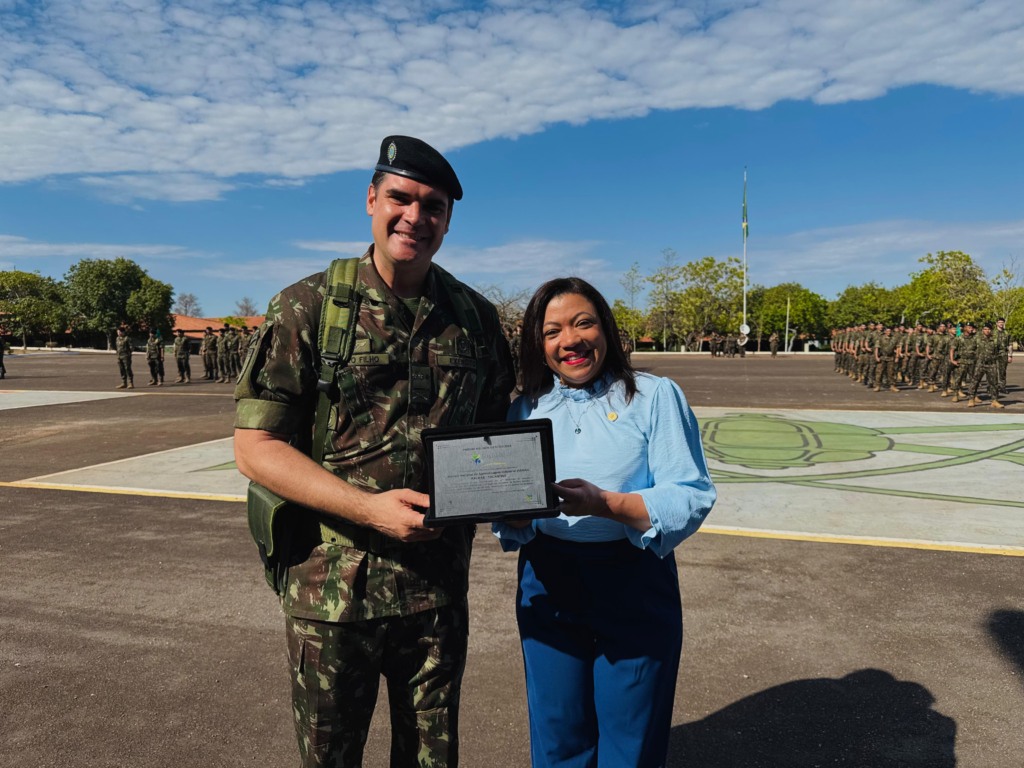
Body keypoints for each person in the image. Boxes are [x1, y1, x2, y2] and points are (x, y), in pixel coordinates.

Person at [233, 135, 515, 767]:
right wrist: (368, 509)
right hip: (333, 596)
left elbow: (496, 437)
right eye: (401, 197)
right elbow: (256, 447)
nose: (416, 216)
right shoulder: (307, 307)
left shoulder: (475, 318)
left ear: (448, 219)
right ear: (371, 199)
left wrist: (519, 497)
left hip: (436, 597)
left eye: (433, 205)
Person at [492, 277, 716, 768]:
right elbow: (510, 508)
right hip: (547, 579)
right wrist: (509, 510)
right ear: (538, 343)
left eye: (583, 323)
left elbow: (690, 494)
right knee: (557, 732)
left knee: (631, 738)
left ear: (606, 330)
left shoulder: (654, 396)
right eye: (552, 331)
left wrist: (606, 505)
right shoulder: (524, 408)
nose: (569, 340)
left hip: (632, 576)